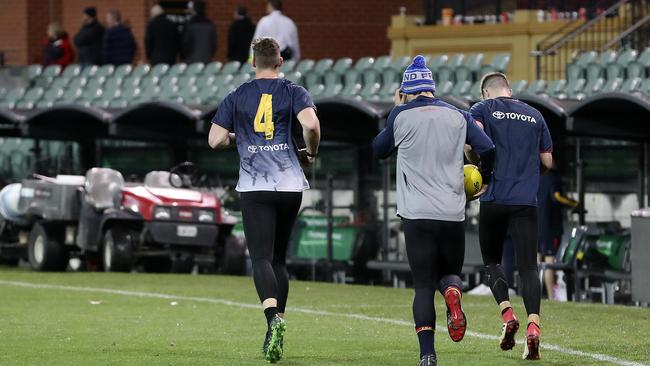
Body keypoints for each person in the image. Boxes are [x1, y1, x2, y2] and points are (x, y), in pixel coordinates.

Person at [373, 55, 495, 366]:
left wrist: (394, 108)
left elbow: (378, 150)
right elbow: (487, 148)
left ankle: (427, 354)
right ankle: (453, 295)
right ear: (432, 87)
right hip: (452, 213)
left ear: (406, 90)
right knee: (449, 274)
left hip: (416, 215)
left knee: (424, 285)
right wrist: (484, 177)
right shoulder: (458, 115)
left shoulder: (400, 116)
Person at [208, 37, 320, 363]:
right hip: (289, 185)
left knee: (260, 259)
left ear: (252, 62)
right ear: (281, 62)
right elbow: (310, 124)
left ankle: (272, 321)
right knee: (279, 261)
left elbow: (215, 139)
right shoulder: (293, 91)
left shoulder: (238, 94)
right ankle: (278, 325)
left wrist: (238, 138)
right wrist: (310, 152)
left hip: (255, 186)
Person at [466, 72, 553, 360]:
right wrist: (528, 178)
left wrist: (478, 170)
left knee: (492, 262)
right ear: (509, 90)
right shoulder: (534, 114)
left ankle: (507, 314)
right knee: (529, 267)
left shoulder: (481, 109)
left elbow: (471, 144)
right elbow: (547, 161)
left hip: (494, 198)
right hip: (526, 201)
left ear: (485, 93)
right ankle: (533, 328)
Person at [537, 165, 578, 299]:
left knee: (537, 262)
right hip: (549, 226)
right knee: (549, 262)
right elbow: (557, 196)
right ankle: (550, 296)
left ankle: (534, 296)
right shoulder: (552, 176)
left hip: (534, 225)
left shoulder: (534, 175)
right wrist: (574, 203)